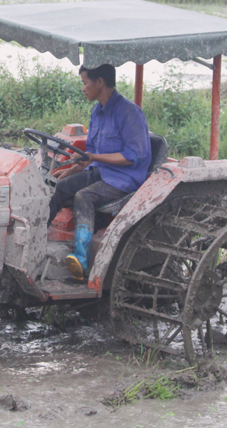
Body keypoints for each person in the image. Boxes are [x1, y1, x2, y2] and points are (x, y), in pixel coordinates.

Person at [48, 64, 152, 281]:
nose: (83, 88)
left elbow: (131, 156)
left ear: (100, 82)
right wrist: (72, 170)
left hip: (125, 179)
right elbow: (91, 153)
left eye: (85, 83)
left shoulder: (129, 113)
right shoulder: (97, 111)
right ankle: (37, 242)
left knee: (83, 196)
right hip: (101, 171)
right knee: (57, 187)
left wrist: (94, 159)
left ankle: (81, 258)